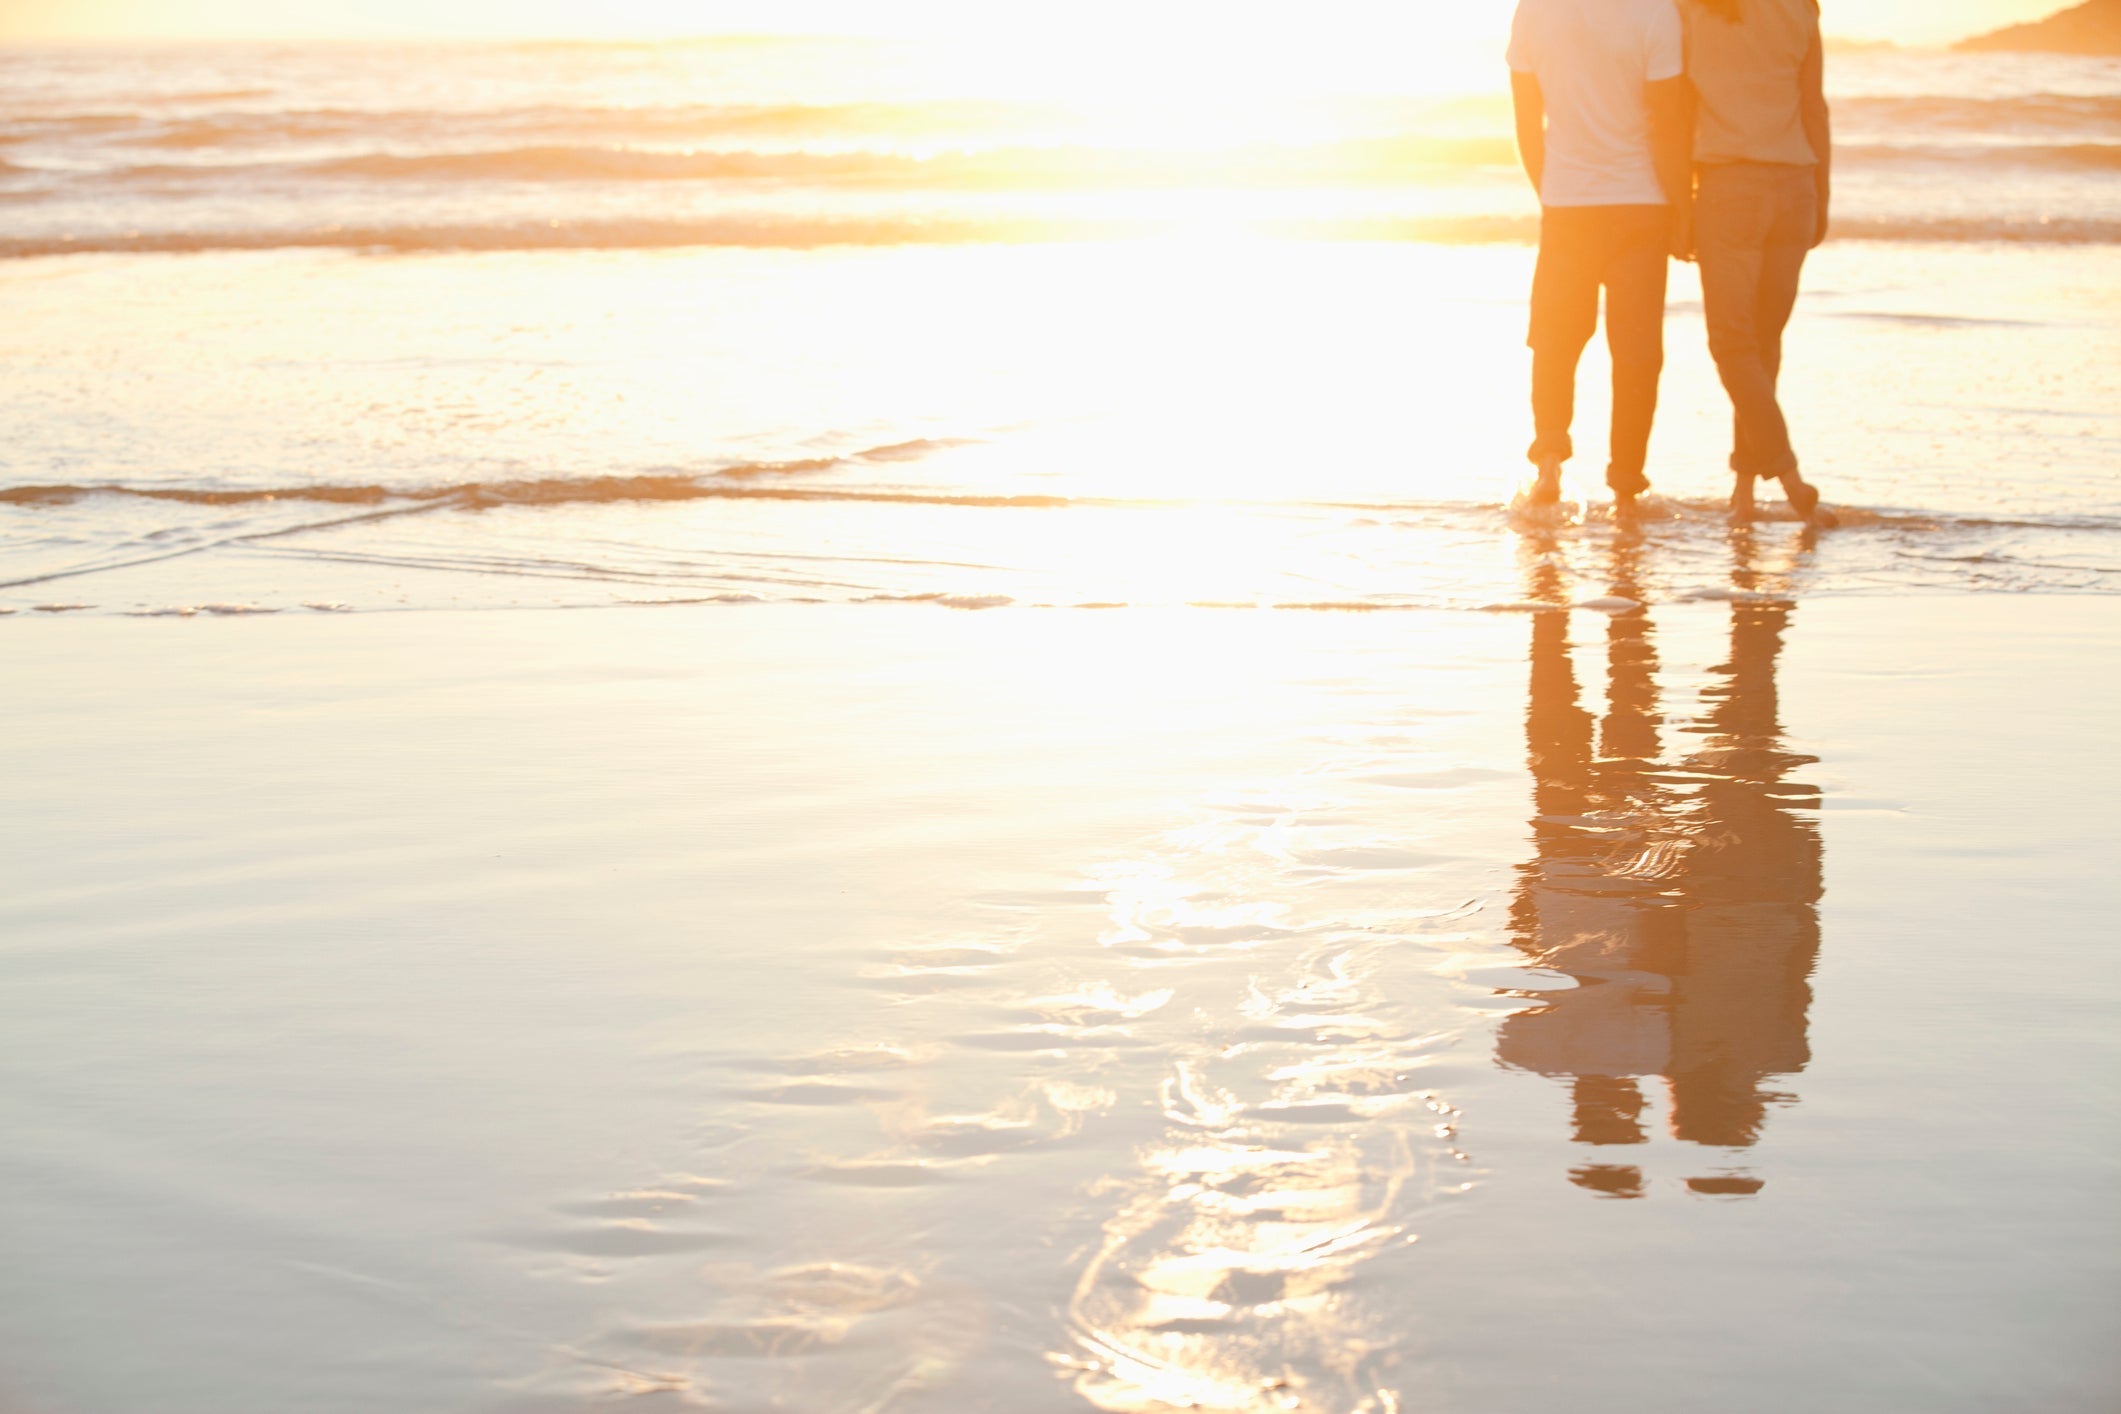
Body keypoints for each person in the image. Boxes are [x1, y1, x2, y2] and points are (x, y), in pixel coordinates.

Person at [1508, 0, 1696, 512]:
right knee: (1636, 352)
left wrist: (1549, 189)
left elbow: (1526, 119)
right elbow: (1669, 120)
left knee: (1555, 338)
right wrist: (1684, 208)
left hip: (1568, 205)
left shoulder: (1534, 10)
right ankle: (1626, 483)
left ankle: (1549, 458)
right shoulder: (1656, 12)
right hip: (1642, 204)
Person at [1683, 0, 1835, 525]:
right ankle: (1743, 494)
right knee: (1760, 349)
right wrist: (1822, 194)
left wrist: (1681, 205)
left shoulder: (1689, 10)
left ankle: (1790, 479)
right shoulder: (1800, 7)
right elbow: (1813, 106)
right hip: (1794, 186)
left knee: (1733, 346)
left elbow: (1677, 112)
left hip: (1730, 190)